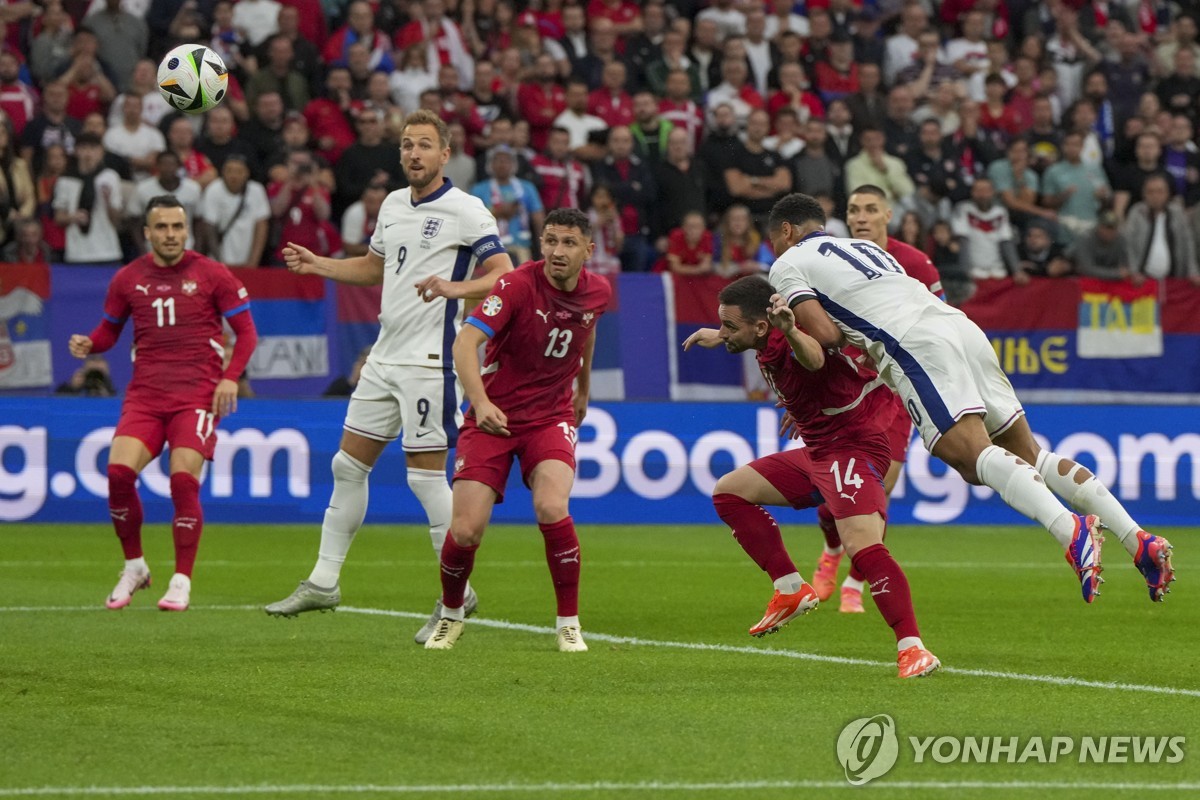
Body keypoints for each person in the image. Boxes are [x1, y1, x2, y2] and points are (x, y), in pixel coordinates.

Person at [766, 193, 1175, 605]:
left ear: (785, 231)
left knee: (967, 455)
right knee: (1029, 454)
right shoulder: (866, 249)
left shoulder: (787, 264)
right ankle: (1137, 538)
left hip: (915, 345)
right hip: (959, 329)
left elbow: (827, 335)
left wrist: (795, 356)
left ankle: (1072, 531)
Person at [264, 110, 515, 645]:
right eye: (407, 145)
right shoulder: (393, 206)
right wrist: (320, 264)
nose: (414, 153)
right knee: (347, 465)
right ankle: (324, 581)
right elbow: (377, 268)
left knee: (424, 478)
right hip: (383, 357)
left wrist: (454, 289)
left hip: (430, 362)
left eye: (425, 145)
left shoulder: (467, 210)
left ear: (445, 154)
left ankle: (459, 592)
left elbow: (505, 274)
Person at [682, 275, 939, 679]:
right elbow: (797, 364)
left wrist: (789, 330)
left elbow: (814, 357)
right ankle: (789, 588)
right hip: (818, 449)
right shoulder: (763, 339)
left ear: (762, 326)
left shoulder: (787, 336)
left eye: (731, 326)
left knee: (863, 547)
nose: (725, 333)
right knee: (729, 492)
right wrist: (723, 336)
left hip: (851, 447)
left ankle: (912, 648)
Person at [424, 207, 612, 652]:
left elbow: (587, 330)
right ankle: (451, 614)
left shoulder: (599, 291)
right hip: (493, 419)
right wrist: (482, 403)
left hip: (550, 419)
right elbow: (464, 343)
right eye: (550, 240)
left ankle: (568, 623)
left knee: (551, 505)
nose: (557, 251)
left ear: (588, 249)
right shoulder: (514, 285)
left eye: (568, 243)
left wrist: (583, 388)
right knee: (467, 531)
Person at [68, 195, 259, 612]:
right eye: (162, 227)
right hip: (146, 396)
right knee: (118, 474)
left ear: (186, 230)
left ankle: (181, 579)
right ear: (147, 233)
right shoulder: (128, 279)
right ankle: (134, 566)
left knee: (182, 481)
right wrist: (90, 342)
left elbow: (246, 334)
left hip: (195, 396)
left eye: (177, 226)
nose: (170, 234)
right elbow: (109, 330)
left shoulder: (212, 274)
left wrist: (229, 378)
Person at [809, 185, 944, 612]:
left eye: (870, 210)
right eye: (853, 210)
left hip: (896, 388)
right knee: (834, 497)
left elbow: (941, 322)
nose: (861, 217)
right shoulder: (831, 261)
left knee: (877, 494)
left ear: (888, 215)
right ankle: (832, 551)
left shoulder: (915, 264)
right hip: (847, 388)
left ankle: (854, 581)